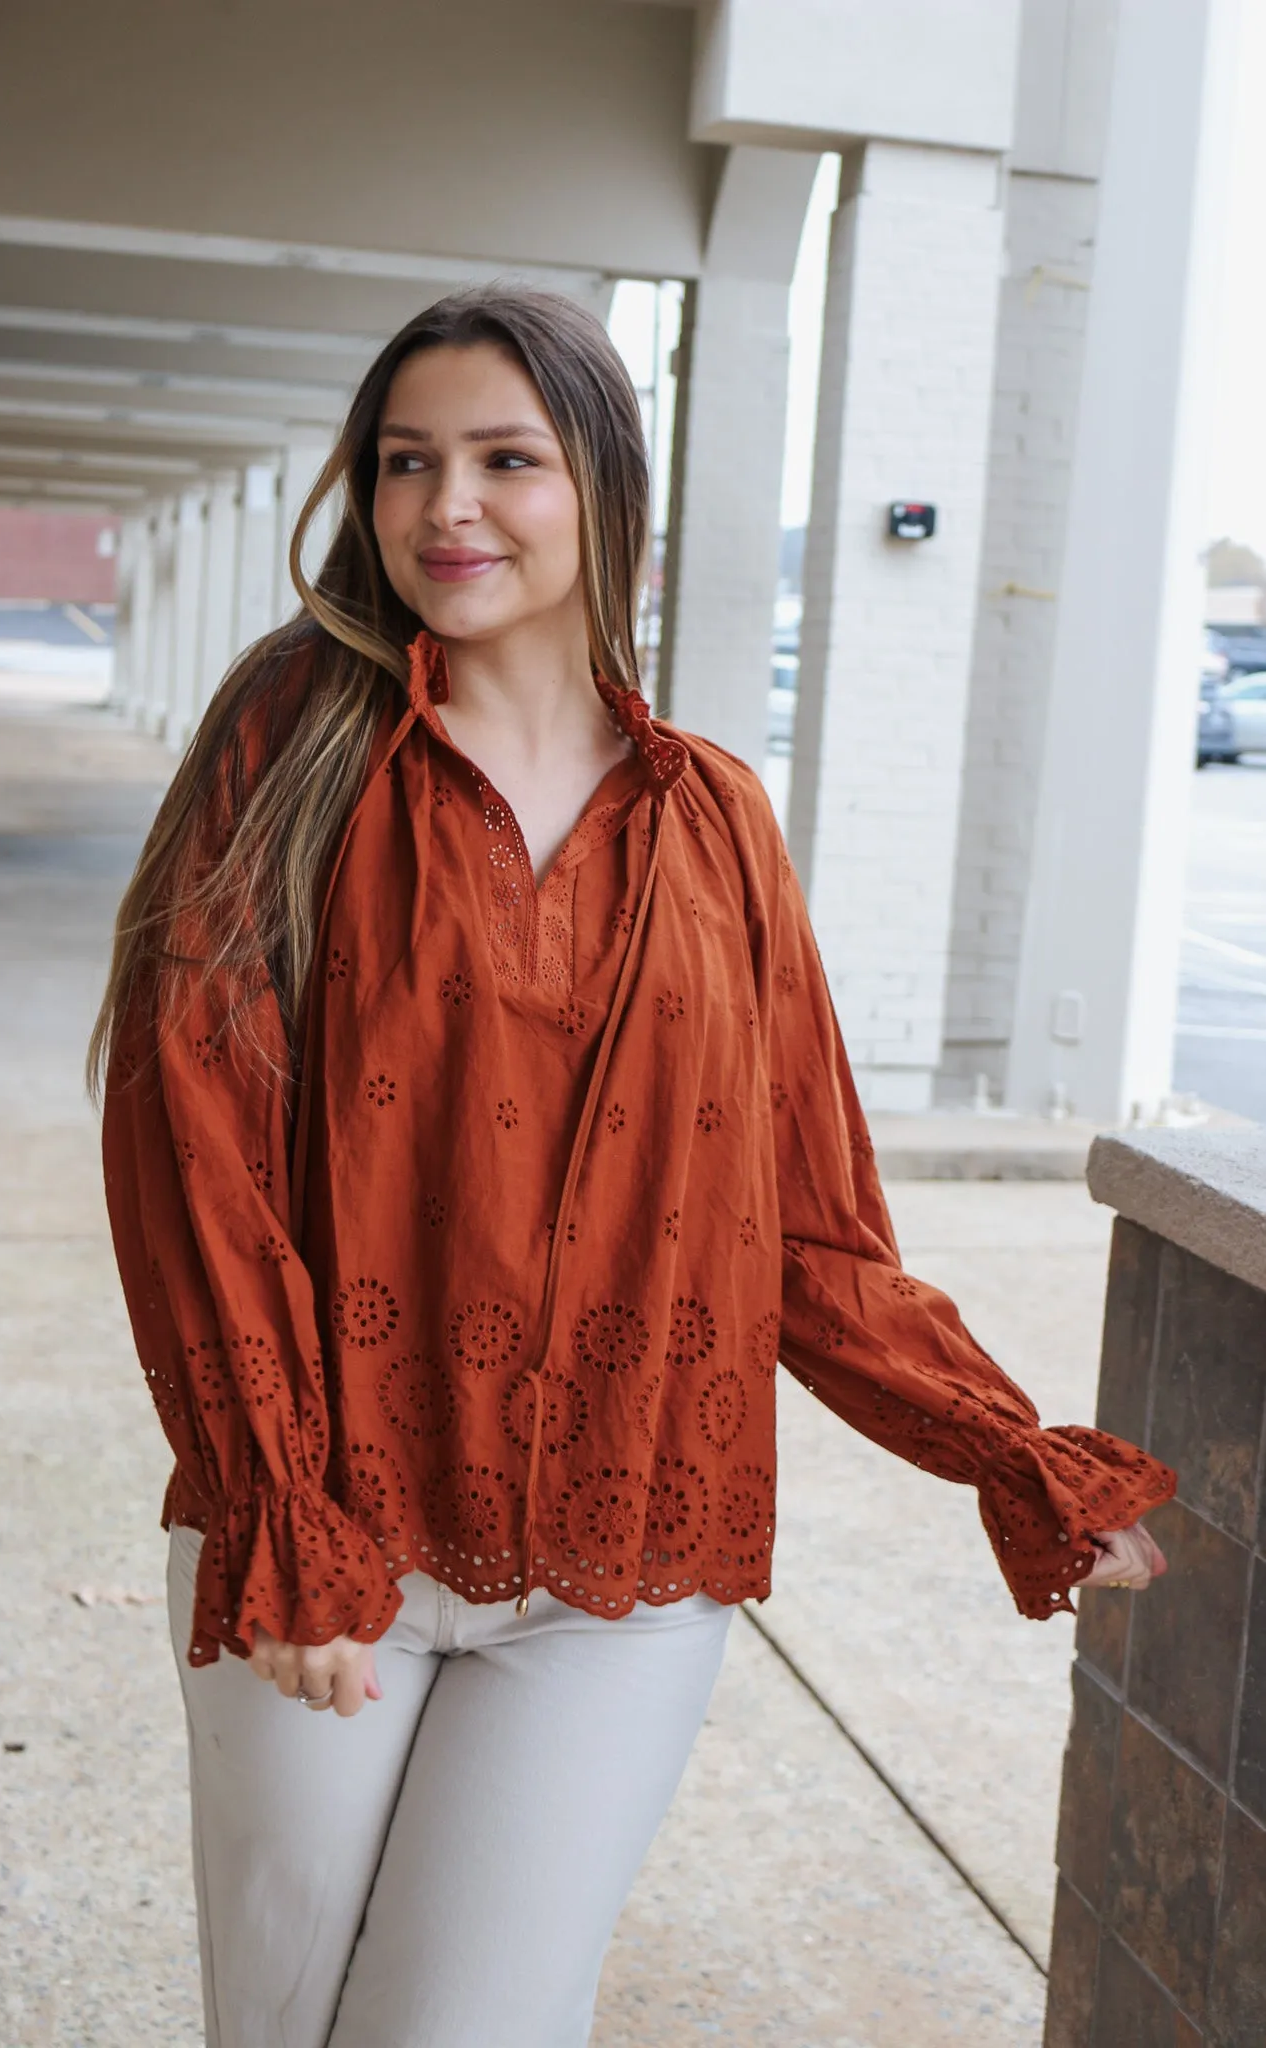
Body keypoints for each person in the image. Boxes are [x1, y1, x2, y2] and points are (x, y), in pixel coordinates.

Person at [91, 286, 1173, 2048]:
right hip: (329, 1537)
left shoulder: (719, 821)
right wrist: (279, 1504)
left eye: (505, 460)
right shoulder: (290, 749)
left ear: (603, 486)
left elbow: (808, 1230)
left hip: (626, 1566)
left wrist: (1003, 1445)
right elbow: (187, 1144)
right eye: (405, 462)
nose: (449, 506)